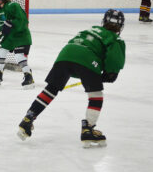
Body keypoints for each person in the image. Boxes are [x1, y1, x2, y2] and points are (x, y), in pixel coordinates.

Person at [17, 9, 126, 148]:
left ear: (103, 21)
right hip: (88, 58)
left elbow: (75, 46)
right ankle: (88, 129)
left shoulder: (89, 31)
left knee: (51, 89)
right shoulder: (115, 38)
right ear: (121, 26)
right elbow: (114, 61)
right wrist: (110, 73)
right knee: (96, 95)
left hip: (65, 55)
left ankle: (28, 118)